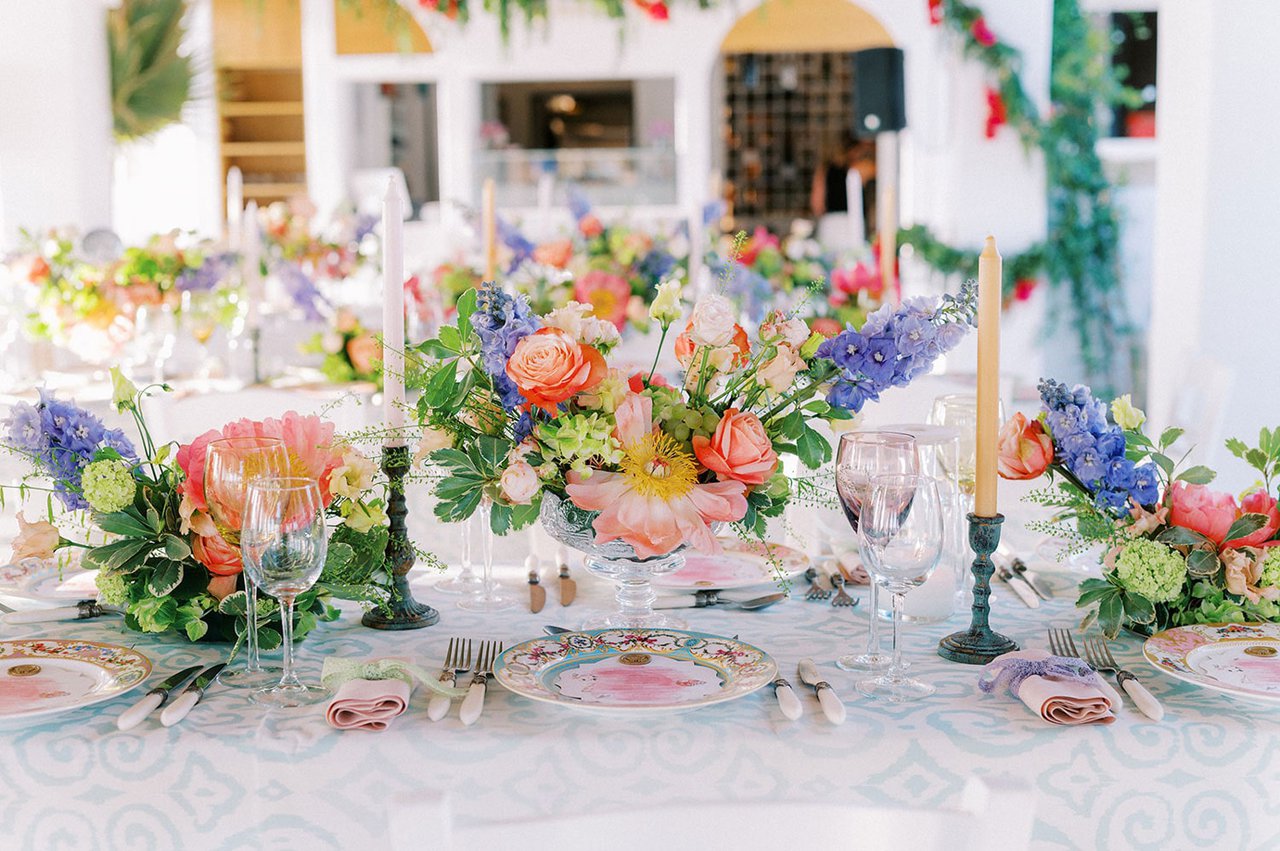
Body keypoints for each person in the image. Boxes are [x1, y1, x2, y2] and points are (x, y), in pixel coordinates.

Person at [811, 135, 876, 250]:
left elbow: (817, 203)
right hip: (851, 222)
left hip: (829, 222)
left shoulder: (825, 169)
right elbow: (887, 171)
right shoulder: (858, 169)